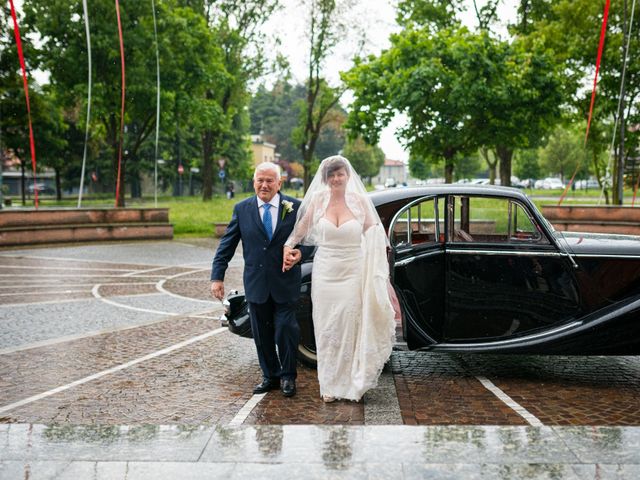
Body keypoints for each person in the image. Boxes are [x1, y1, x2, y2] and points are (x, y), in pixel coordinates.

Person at [283, 155, 397, 403]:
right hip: (325, 273)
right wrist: (288, 245)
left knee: (349, 325)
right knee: (326, 327)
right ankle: (329, 384)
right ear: (325, 179)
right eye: (331, 175)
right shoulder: (318, 200)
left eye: (340, 174)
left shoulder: (359, 202)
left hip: (352, 271)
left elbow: (373, 232)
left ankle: (351, 381)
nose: (336, 179)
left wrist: (376, 259)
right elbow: (301, 229)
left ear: (347, 176)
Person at [211, 162, 308, 397]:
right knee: (261, 334)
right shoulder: (242, 209)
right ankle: (270, 376)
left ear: (279, 183)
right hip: (256, 282)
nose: (264, 185)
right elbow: (227, 244)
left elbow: (310, 240)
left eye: (269, 181)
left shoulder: (296, 208)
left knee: (286, 329)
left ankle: (287, 377)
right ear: (254, 182)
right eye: (260, 181)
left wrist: (299, 254)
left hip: (285, 281)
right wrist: (217, 276)